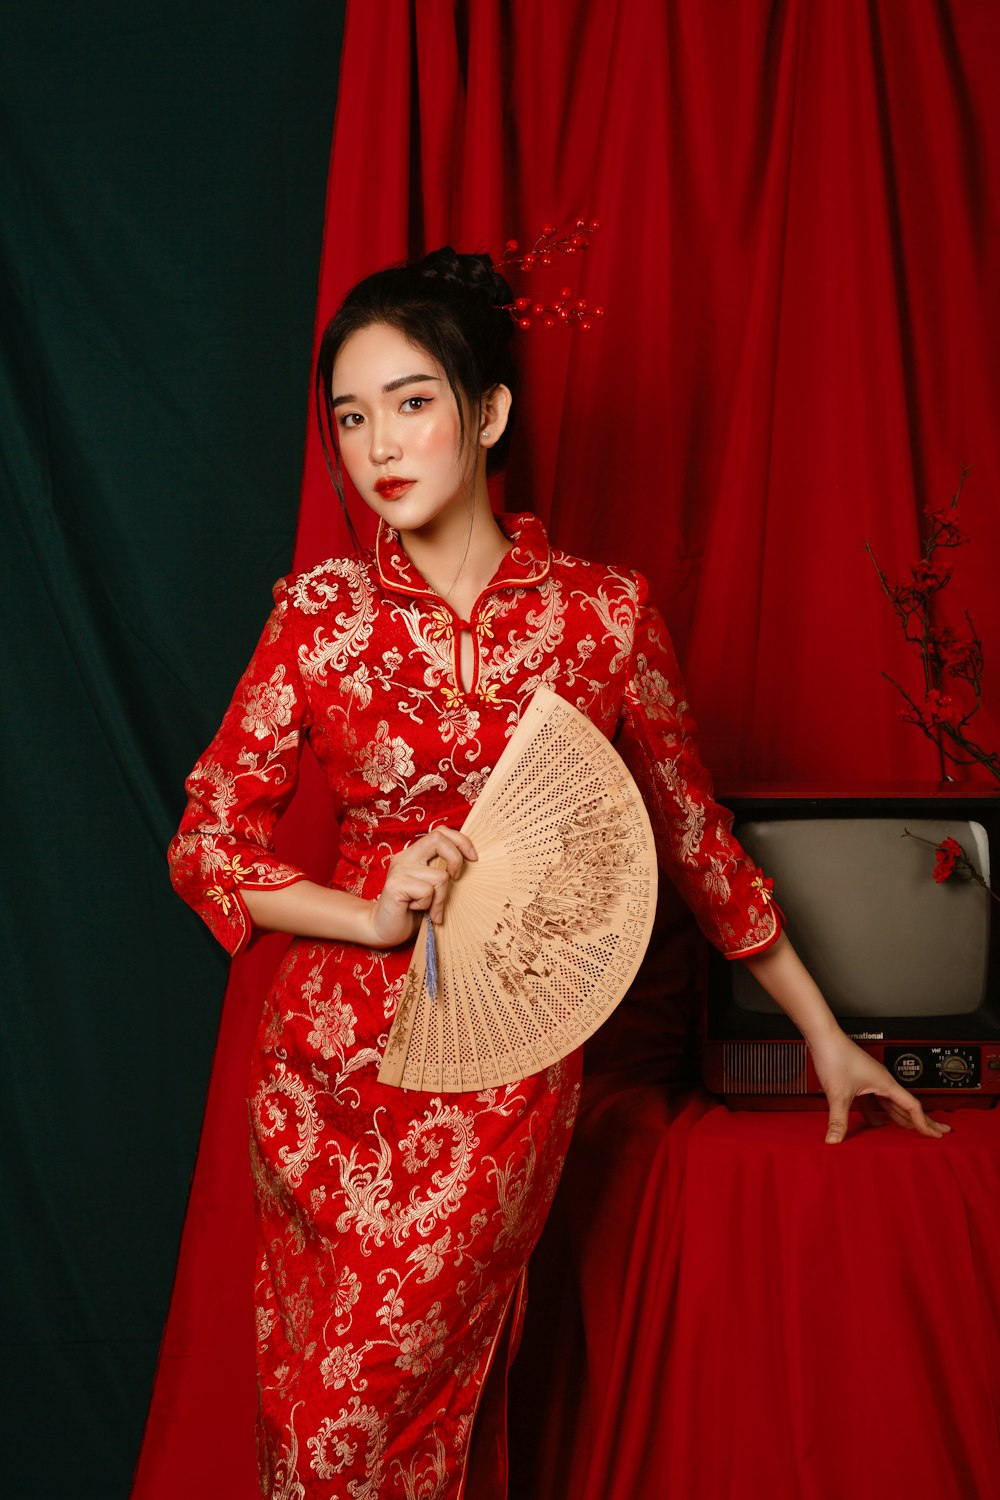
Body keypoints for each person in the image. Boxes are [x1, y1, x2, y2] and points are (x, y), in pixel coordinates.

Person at [168, 246, 950, 1500]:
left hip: (498, 1073)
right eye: (353, 415)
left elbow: (697, 839)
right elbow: (206, 842)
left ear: (489, 412)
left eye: (413, 401)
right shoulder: (320, 616)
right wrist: (367, 914)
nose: (379, 443)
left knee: (358, 1432)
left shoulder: (602, 616)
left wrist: (826, 1032)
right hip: (319, 1080)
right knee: (304, 1423)